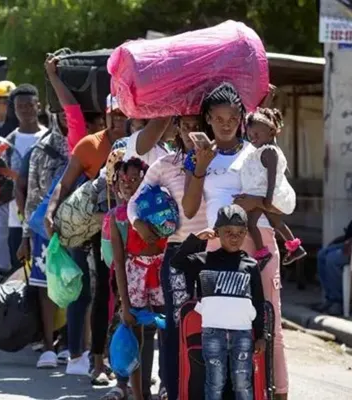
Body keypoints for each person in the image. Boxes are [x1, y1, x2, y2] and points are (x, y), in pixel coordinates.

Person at [181, 82, 289, 399]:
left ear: (241, 117)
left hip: (260, 242)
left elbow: (284, 202)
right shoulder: (196, 157)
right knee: (219, 324)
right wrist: (200, 167)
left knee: (270, 322)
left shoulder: (260, 153)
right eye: (219, 118)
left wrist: (253, 202)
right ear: (208, 120)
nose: (226, 124)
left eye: (232, 117)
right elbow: (188, 209)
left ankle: (279, 392)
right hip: (216, 246)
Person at [45, 94, 128, 379]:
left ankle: (127, 363)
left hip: (139, 231)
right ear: (105, 116)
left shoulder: (141, 144)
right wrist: (51, 212)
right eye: (114, 115)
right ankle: (97, 362)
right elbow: (65, 183)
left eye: (124, 114)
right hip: (100, 230)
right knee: (102, 293)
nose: (119, 120)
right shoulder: (90, 144)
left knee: (131, 298)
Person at [128, 115, 208, 400]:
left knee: (213, 329)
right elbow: (133, 203)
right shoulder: (165, 165)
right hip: (178, 254)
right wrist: (138, 223)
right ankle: (173, 391)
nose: (190, 132)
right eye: (184, 126)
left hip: (215, 254)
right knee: (176, 329)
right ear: (176, 129)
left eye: (196, 125)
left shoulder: (221, 162)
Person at [171, 205, 266, 400]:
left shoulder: (251, 265)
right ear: (217, 233)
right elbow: (176, 262)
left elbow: (258, 301)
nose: (234, 237)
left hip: (243, 333)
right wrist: (196, 239)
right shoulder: (204, 260)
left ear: (246, 233)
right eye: (228, 232)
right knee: (214, 383)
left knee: (242, 383)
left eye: (240, 233)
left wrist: (261, 335)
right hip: (213, 333)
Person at [111, 158, 167, 400]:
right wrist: (124, 302)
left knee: (168, 330)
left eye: (135, 179)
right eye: (123, 180)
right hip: (135, 275)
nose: (128, 185)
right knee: (135, 330)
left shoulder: (160, 206)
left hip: (161, 270)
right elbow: (120, 264)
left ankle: (167, 384)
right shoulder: (118, 218)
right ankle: (138, 393)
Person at [21, 111, 69, 369]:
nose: (64, 118)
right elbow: (31, 197)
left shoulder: (86, 142)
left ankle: (70, 344)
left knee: (77, 286)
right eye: (59, 113)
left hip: (77, 226)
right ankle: (49, 346)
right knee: (46, 288)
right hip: (43, 230)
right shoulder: (41, 149)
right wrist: (25, 236)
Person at [242, 108, 305, 267]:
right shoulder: (262, 150)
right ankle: (295, 247)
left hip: (264, 195)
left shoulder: (270, 151)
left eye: (257, 134)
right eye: (250, 136)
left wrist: (268, 198)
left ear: (270, 133)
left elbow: (272, 177)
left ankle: (262, 253)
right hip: (262, 194)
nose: (253, 138)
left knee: (251, 224)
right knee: (276, 221)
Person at [6, 84, 48, 270]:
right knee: (19, 271)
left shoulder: (49, 138)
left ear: (38, 106)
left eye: (29, 105)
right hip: (16, 220)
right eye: (20, 106)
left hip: (45, 219)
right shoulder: (7, 142)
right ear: (14, 110)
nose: (25, 110)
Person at [44, 55, 105, 152]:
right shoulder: (123, 139)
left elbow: (73, 112)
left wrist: (52, 75)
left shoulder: (81, 147)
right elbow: (73, 113)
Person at [313, 220, 352, 315]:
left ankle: (337, 301)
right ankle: (330, 299)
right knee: (322, 255)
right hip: (347, 243)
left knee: (332, 259)